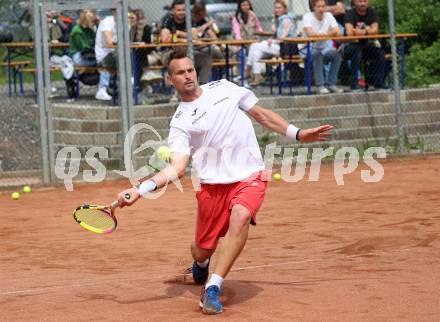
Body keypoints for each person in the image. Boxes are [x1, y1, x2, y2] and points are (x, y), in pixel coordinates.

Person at [116, 47, 333, 315]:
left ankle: (213, 287)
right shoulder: (180, 122)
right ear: (170, 79)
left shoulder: (225, 88)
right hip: (212, 187)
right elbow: (178, 167)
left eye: (190, 70)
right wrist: (141, 189)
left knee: (241, 217)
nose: (187, 76)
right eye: (180, 73)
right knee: (201, 250)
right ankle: (202, 265)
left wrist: (298, 134)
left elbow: (261, 115)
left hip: (249, 175)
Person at [245, 0, 297, 87]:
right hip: (278, 46)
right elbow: (276, 35)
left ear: (284, 9)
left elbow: (283, 38)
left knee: (254, 46)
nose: (277, 10)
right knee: (256, 52)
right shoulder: (279, 19)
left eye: (279, 8)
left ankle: (247, 71)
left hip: (286, 48)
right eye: (276, 8)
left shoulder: (286, 20)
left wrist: (272, 41)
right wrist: (273, 35)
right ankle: (257, 77)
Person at [160, 0, 212, 84]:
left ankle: (202, 86)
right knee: (182, 62)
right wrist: (185, 38)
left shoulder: (189, 18)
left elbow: (194, 37)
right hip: (169, 52)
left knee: (206, 60)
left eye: (183, 10)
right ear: (173, 11)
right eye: (178, 10)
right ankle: (177, 92)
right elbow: (165, 39)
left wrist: (178, 33)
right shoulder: (168, 19)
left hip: (188, 52)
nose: (181, 12)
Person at [344, 0, 386, 91]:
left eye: (365, 1)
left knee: (380, 53)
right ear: (354, 2)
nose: (362, 3)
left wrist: (363, 31)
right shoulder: (350, 13)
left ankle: (379, 83)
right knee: (357, 52)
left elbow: (375, 31)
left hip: (365, 45)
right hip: (350, 45)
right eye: (360, 1)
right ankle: (354, 84)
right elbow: (349, 32)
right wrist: (368, 29)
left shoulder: (372, 12)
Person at [303, 0, 343, 94]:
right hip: (307, 50)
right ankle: (320, 86)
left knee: (337, 54)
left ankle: (331, 84)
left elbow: (337, 30)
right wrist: (328, 33)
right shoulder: (307, 16)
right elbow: (310, 34)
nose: (321, 9)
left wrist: (321, 34)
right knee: (317, 54)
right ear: (314, 8)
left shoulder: (328, 15)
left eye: (323, 6)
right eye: (318, 7)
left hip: (323, 49)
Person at [129, 9, 163, 87]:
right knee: (135, 56)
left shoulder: (148, 29)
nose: (130, 20)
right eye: (129, 18)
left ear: (138, 19)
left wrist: (142, 45)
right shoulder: (132, 30)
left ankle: (139, 83)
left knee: (138, 54)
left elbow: (152, 46)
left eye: (132, 18)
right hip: (138, 55)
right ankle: (142, 81)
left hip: (152, 55)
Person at [94, 9, 117, 101]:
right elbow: (109, 42)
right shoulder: (108, 21)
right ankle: (102, 90)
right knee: (116, 58)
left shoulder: (122, 21)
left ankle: (137, 85)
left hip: (115, 53)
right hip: (104, 55)